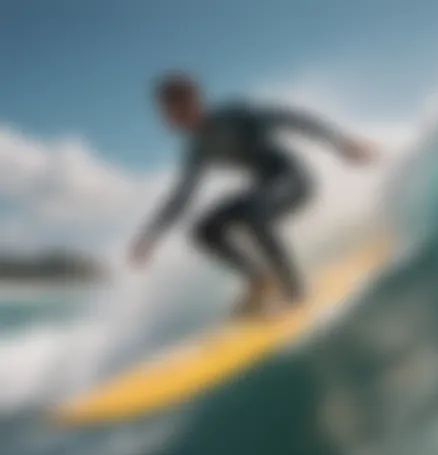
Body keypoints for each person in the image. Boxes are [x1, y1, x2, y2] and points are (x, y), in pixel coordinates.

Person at [129, 72, 378, 317]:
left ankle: (296, 291)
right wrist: (152, 234)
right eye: (164, 112)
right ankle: (259, 279)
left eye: (169, 110)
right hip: (263, 188)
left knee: (253, 213)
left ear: (190, 102)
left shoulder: (234, 116)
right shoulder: (197, 148)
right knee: (204, 231)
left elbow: (292, 118)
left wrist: (342, 143)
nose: (166, 119)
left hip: (293, 181)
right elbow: (181, 196)